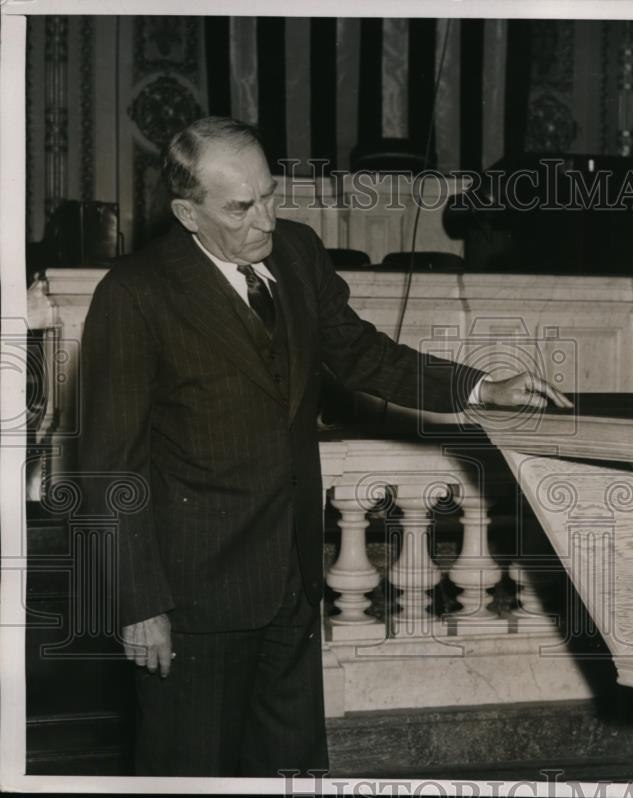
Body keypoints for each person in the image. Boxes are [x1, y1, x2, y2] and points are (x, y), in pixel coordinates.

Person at [78, 116, 571, 777]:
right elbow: (109, 467)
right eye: (241, 207)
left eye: (270, 195)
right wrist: (140, 606)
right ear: (187, 213)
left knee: (292, 771)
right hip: (194, 597)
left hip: (291, 580)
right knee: (190, 775)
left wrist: (481, 387)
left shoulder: (297, 253)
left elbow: (364, 354)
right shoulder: (135, 293)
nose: (265, 220)